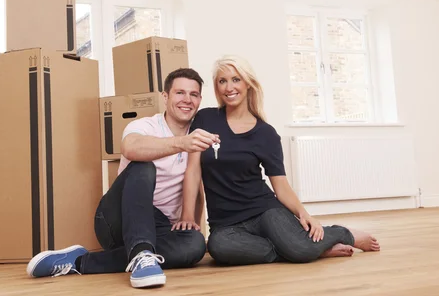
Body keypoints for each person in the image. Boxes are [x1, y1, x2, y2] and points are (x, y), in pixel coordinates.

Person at [174, 55, 380, 266]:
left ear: (248, 83)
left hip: (265, 211)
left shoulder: (266, 133)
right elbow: (192, 171)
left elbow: (280, 186)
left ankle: (342, 234)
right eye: (222, 81)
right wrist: (187, 216)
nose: (229, 87)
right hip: (226, 224)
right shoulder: (205, 119)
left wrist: (304, 213)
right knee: (219, 248)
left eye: (236, 79)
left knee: (299, 249)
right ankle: (308, 248)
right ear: (217, 88)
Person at [27, 68, 219, 288]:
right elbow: (131, 147)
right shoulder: (144, 126)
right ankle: (141, 253)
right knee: (144, 165)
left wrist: (189, 221)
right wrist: (181, 144)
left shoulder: (199, 138)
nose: (187, 100)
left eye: (193, 95)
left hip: (159, 228)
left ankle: (79, 261)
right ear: (165, 97)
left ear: (200, 100)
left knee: (194, 245)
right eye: (180, 93)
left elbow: (196, 186)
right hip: (117, 218)